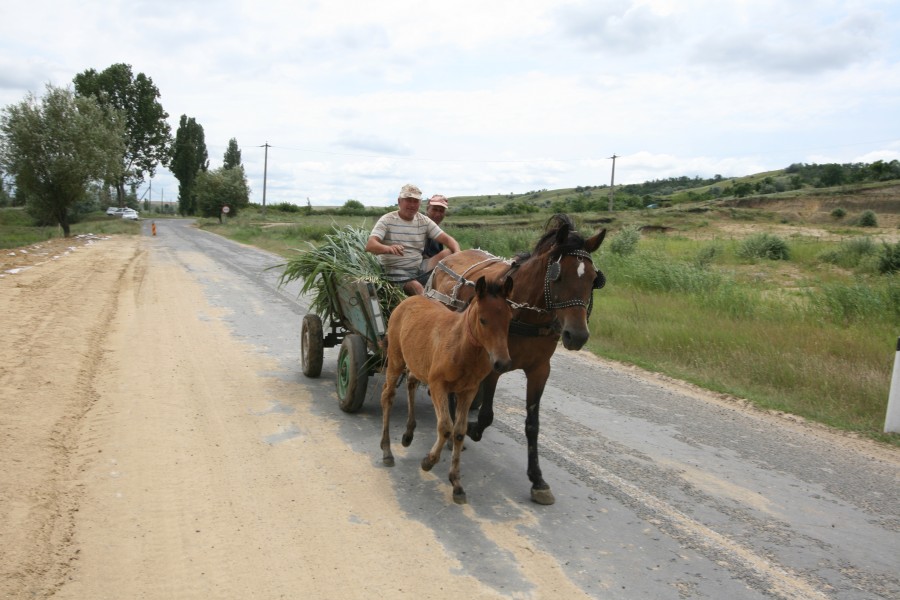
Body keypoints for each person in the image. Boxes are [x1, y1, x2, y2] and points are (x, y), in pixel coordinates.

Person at [365, 184, 461, 296]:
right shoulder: (387, 220)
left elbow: (448, 240)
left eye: (415, 201)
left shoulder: (423, 221)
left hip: (418, 268)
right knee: (418, 288)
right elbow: (370, 245)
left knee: (449, 252)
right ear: (399, 201)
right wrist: (388, 248)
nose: (412, 205)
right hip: (395, 270)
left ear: (419, 204)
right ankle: (428, 307)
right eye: (408, 200)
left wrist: (459, 253)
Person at [423, 194, 449, 260]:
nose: (438, 214)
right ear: (427, 209)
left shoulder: (438, 230)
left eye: (441, 211)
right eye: (434, 209)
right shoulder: (420, 226)